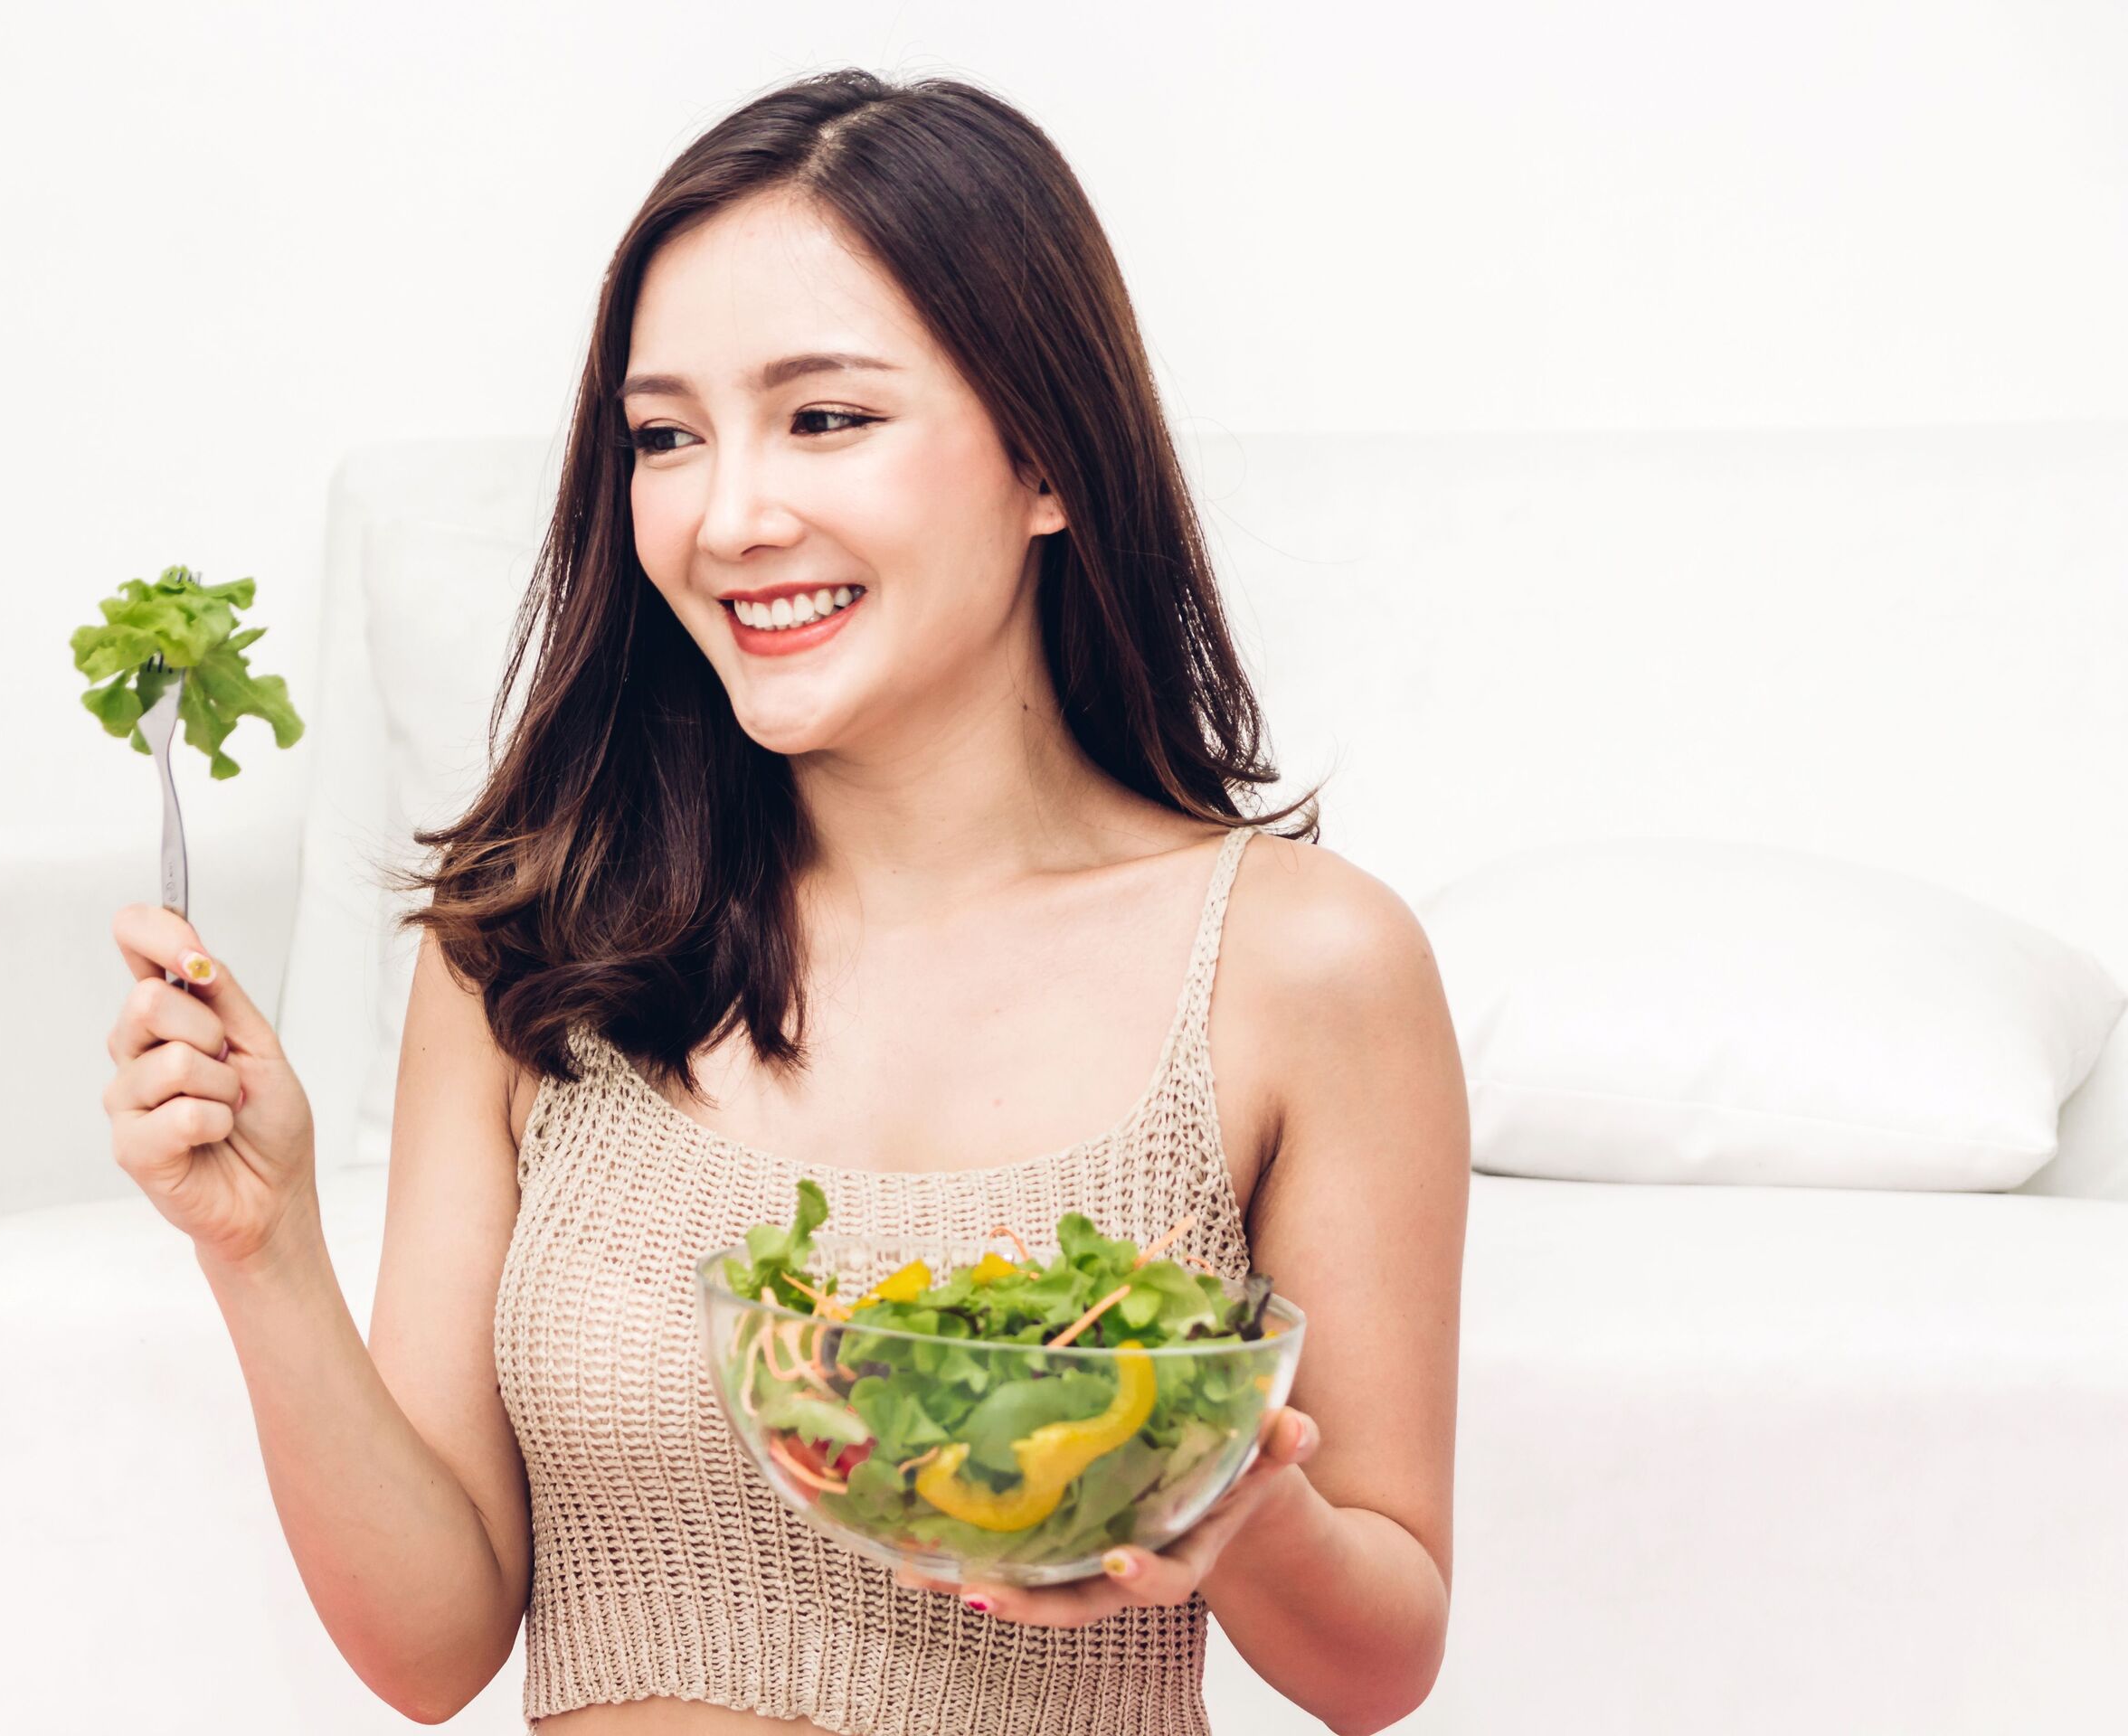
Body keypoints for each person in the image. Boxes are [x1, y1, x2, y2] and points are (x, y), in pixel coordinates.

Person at [103, 67, 1467, 1736]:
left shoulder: (1301, 965)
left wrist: (1232, 1502)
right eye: (666, 436)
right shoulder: (535, 944)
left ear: (1050, 460)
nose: (729, 516)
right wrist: (264, 1247)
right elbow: (433, 1643)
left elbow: (1379, 1660)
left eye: (826, 417)